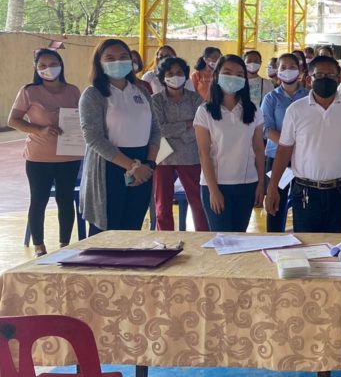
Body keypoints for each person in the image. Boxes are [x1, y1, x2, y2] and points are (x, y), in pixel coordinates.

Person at [266, 56, 341, 233]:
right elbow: (284, 150)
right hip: (306, 191)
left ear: (339, 79)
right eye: (319, 75)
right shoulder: (296, 109)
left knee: (336, 245)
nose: (325, 79)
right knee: (307, 245)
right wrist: (273, 186)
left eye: (330, 75)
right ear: (309, 79)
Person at [79, 39, 161, 234]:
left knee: (131, 229)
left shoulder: (141, 91)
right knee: (107, 232)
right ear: (99, 63)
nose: (118, 62)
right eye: (110, 58)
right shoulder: (93, 94)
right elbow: (93, 138)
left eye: (123, 57)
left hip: (143, 167)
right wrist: (132, 167)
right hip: (110, 167)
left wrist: (148, 165)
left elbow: (155, 130)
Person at [8, 49, 82, 256]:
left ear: (61, 64)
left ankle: (65, 244)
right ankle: (39, 245)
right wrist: (39, 130)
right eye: (42, 65)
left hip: (70, 155)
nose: (48, 69)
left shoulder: (73, 90)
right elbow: (13, 120)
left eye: (53, 63)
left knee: (65, 199)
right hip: (39, 156)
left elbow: (82, 118)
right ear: (36, 68)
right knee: (38, 199)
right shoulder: (29, 91)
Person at [193, 54, 266, 232]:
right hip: (217, 184)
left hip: (247, 184)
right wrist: (213, 190)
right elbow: (204, 153)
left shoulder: (253, 110)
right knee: (222, 239)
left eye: (240, 74)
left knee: (240, 237)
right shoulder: (205, 111)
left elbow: (258, 149)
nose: (233, 78)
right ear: (217, 75)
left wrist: (261, 183)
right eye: (228, 72)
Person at [150, 57, 208, 232]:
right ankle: (164, 241)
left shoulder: (196, 99)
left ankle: (203, 238)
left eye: (179, 73)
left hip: (191, 156)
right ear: (162, 77)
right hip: (162, 157)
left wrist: (176, 128)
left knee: (198, 204)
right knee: (162, 206)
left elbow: (201, 126)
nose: (175, 77)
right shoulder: (155, 100)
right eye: (170, 74)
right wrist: (186, 124)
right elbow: (160, 129)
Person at [261, 53, 309, 232]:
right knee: (276, 201)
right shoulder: (271, 98)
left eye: (292, 67)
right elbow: (266, 129)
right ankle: (274, 238)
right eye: (283, 68)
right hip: (277, 158)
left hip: (303, 158)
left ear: (301, 70)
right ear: (277, 71)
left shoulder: (309, 96)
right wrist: (287, 146)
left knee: (302, 201)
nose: (287, 71)